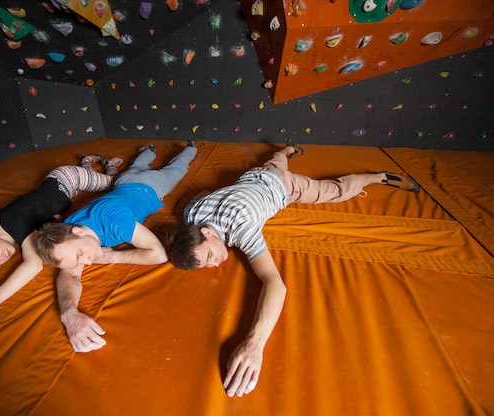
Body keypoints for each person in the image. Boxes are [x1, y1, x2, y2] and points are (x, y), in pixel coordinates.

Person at [166, 140, 420, 398]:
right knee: (274, 163)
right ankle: (286, 150)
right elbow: (200, 196)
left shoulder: (242, 226)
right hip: (253, 177)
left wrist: (255, 343)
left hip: (284, 186)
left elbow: (274, 283)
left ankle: (377, 177)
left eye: (210, 254)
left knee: (332, 190)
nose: (214, 263)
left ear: (207, 232)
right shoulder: (192, 214)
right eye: (206, 263)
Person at [35, 140, 197, 353]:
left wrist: (112, 257)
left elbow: (158, 254)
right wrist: (69, 313)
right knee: (136, 168)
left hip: (151, 185)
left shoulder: (114, 220)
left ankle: (190, 148)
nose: (86, 263)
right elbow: (69, 276)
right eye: (79, 260)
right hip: (123, 182)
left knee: (176, 170)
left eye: (81, 254)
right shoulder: (69, 232)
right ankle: (148, 150)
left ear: (78, 232)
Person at [0, 153, 123, 346]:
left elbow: (33, 265)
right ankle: (87, 162)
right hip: (61, 186)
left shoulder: (12, 224)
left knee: (115, 183)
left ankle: (108, 164)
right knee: (98, 183)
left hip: (67, 179)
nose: (3, 257)